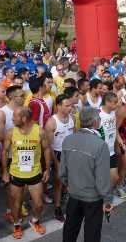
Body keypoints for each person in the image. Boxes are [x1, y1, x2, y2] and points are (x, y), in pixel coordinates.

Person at [60, 107, 115, 242]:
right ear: (95, 122)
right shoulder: (100, 145)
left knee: (70, 229)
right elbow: (102, 178)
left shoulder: (68, 140)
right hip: (92, 197)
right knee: (92, 232)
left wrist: (69, 185)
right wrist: (107, 199)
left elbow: (62, 172)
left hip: (73, 194)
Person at [1, 107, 51, 239]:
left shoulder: (39, 131)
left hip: (34, 173)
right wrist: (5, 172)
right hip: (16, 174)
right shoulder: (11, 132)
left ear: (23, 118)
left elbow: (46, 149)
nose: (12, 119)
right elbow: (4, 152)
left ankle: (35, 221)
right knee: (16, 204)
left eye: (15, 117)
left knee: (39, 204)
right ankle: (17, 225)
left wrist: (47, 169)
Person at [44, 94, 75, 222]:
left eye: (71, 105)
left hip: (70, 153)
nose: (70, 108)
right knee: (58, 183)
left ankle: (69, 201)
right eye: (67, 106)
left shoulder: (71, 118)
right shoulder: (52, 122)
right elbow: (48, 146)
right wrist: (55, 162)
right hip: (58, 154)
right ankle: (57, 208)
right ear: (58, 106)